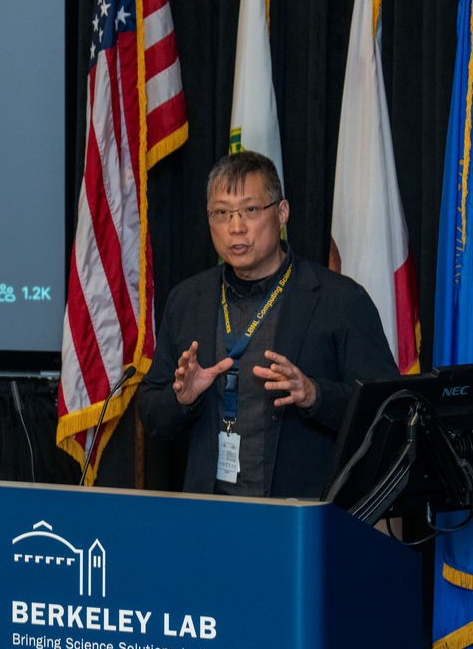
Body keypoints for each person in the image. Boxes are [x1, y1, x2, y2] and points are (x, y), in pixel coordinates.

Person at [138, 151, 397, 498]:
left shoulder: (340, 301)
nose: (236, 226)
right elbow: (152, 414)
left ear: (282, 212)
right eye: (221, 213)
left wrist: (315, 394)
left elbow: (391, 411)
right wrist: (182, 399)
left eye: (250, 210)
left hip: (303, 519)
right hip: (210, 515)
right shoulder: (187, 300)